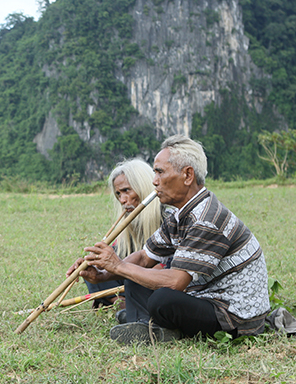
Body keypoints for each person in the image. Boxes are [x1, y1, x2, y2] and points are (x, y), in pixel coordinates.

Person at [68, 135, 270, 344]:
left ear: (187, 175)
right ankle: (146, 326)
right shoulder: (178, 215)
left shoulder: (206, 219)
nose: (154, 181)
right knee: (138, 276)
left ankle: (151, 325)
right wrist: (101, 273)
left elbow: (176, 282)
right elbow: (145, 257)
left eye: (160, 172)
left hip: (232, 316)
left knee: (163, 299)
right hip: (202, 297)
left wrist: (118, 266)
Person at [84, 159, 167, 311]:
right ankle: (120, 302)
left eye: (127, 190)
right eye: (118, 193)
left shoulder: (167, 216)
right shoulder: (130, 222)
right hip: (132, 272)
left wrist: (124, 268)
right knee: (94, 264)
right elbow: (121, 256)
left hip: (157, 276)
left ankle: (122, 303)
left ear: (142, 187)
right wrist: (99, 264)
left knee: (144, 279)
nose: (122, 200)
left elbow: (163, 267)